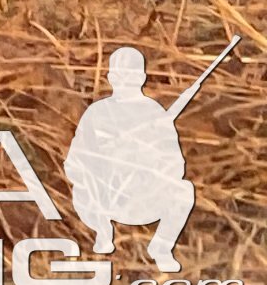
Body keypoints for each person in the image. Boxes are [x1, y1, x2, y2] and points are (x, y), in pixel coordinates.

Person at [66, 47, 199, 270]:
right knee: (81, 189)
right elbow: (75, 161)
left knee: (184, 191)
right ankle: (102, 233)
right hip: (105, 199)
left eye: (132, 75)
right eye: (120, 76)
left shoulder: (155, 113)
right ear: (110, 78)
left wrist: (147, 163)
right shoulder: (97, 112)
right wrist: (101, 168)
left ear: (142, 78)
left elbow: (176, 163)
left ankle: (161, 247)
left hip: (144, 197)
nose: (125, 81)